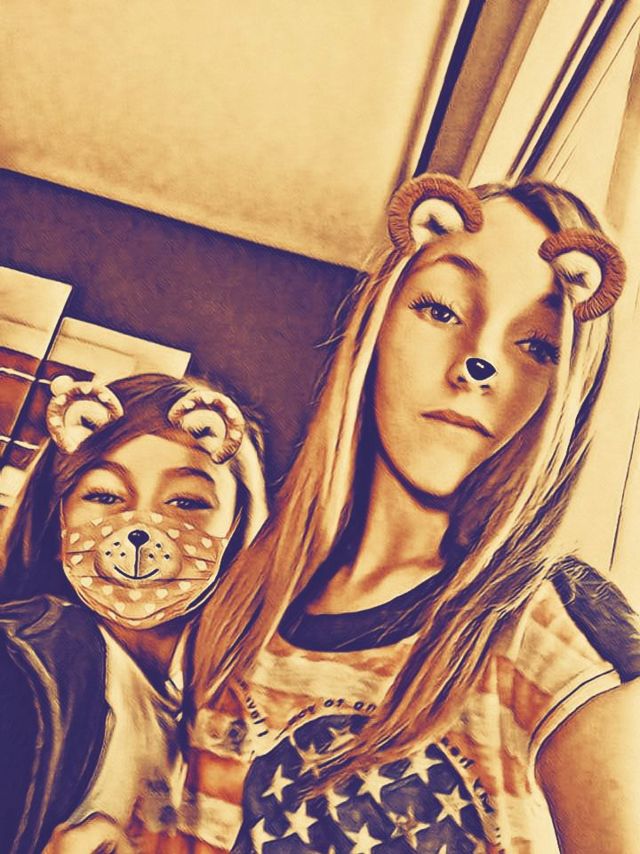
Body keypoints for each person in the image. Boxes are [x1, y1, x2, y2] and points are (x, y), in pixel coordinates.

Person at [175, 174, 640, 853]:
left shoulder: (562, 638)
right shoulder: (234, 596)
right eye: (443, 310)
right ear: (379, 322)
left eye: (537, 345)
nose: (478, 362)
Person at [0, 371, 268, 853]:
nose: (143, 526)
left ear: (236, 531)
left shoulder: (228, 720)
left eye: (186, 501)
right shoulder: (18, 664)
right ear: (58, 516)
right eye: (104, 496)